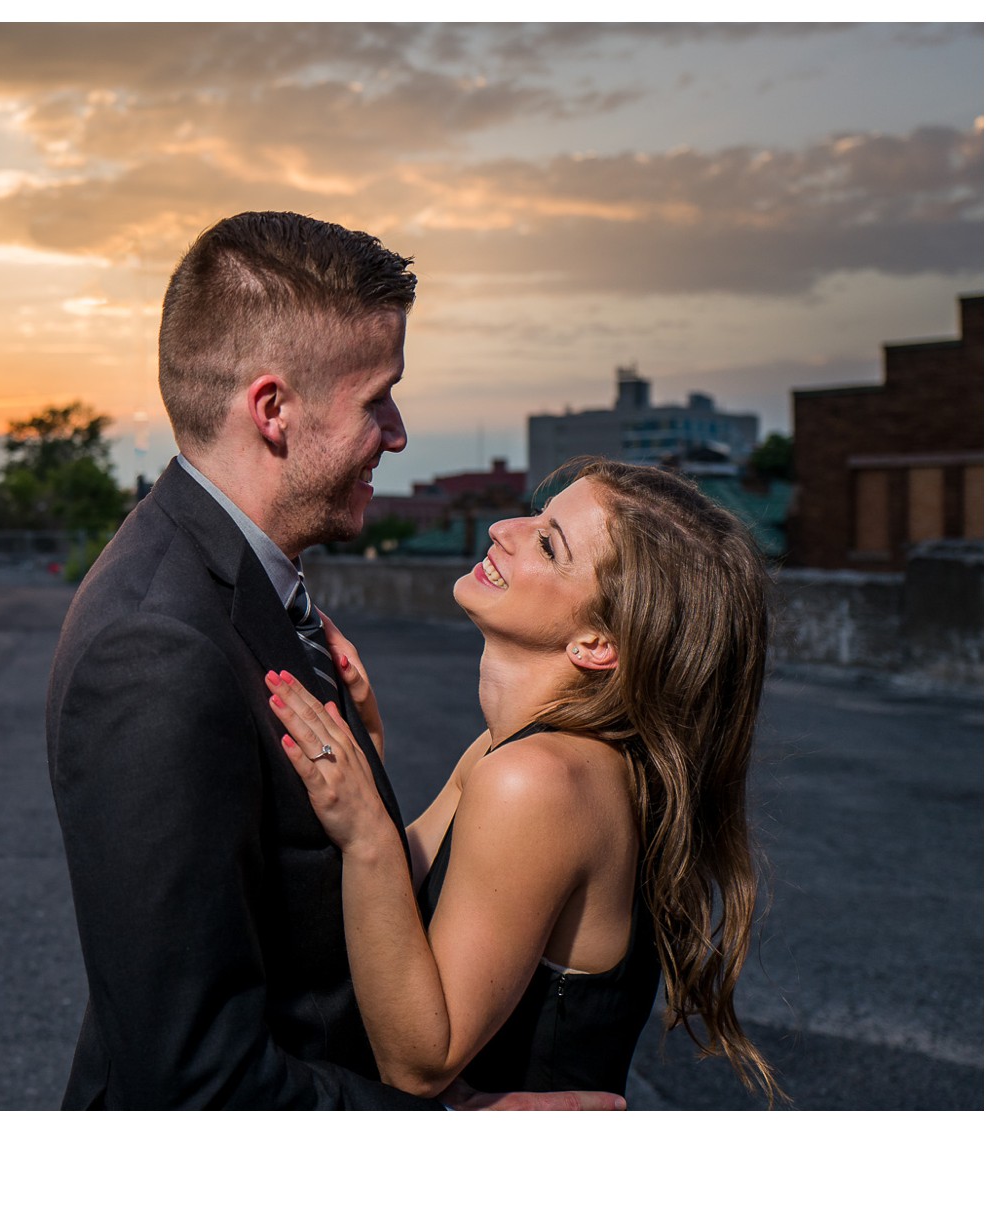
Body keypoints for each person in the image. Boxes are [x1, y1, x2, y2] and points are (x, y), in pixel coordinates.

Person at [46, 210, 622, 1110]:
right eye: (376, 398)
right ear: (274, 411)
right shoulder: (155, 650)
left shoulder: (251, 585)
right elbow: (191, 1082)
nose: (395, 433)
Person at [267, 458, 783, 1103]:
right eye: (535, 515)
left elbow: (422, 1061)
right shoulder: (513, 751)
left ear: (597, 643)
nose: (502, 527)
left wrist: (368, 832)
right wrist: (368, 756)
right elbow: (390, 911)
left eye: (547, 542)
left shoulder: (537, 780)